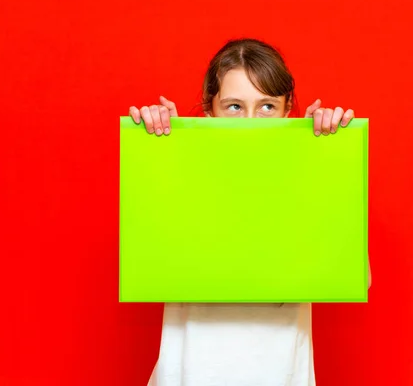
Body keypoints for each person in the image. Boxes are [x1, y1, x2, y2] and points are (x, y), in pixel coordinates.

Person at [129, 38, 372, 386]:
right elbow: (149, 251)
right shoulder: (182, 173)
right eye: (233, 106)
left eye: (267, 106)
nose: (250, 121)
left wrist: (331, 163)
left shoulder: (304, 178)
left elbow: (357, 278)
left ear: (288, 111)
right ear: (210, 110)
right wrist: (158, 149)